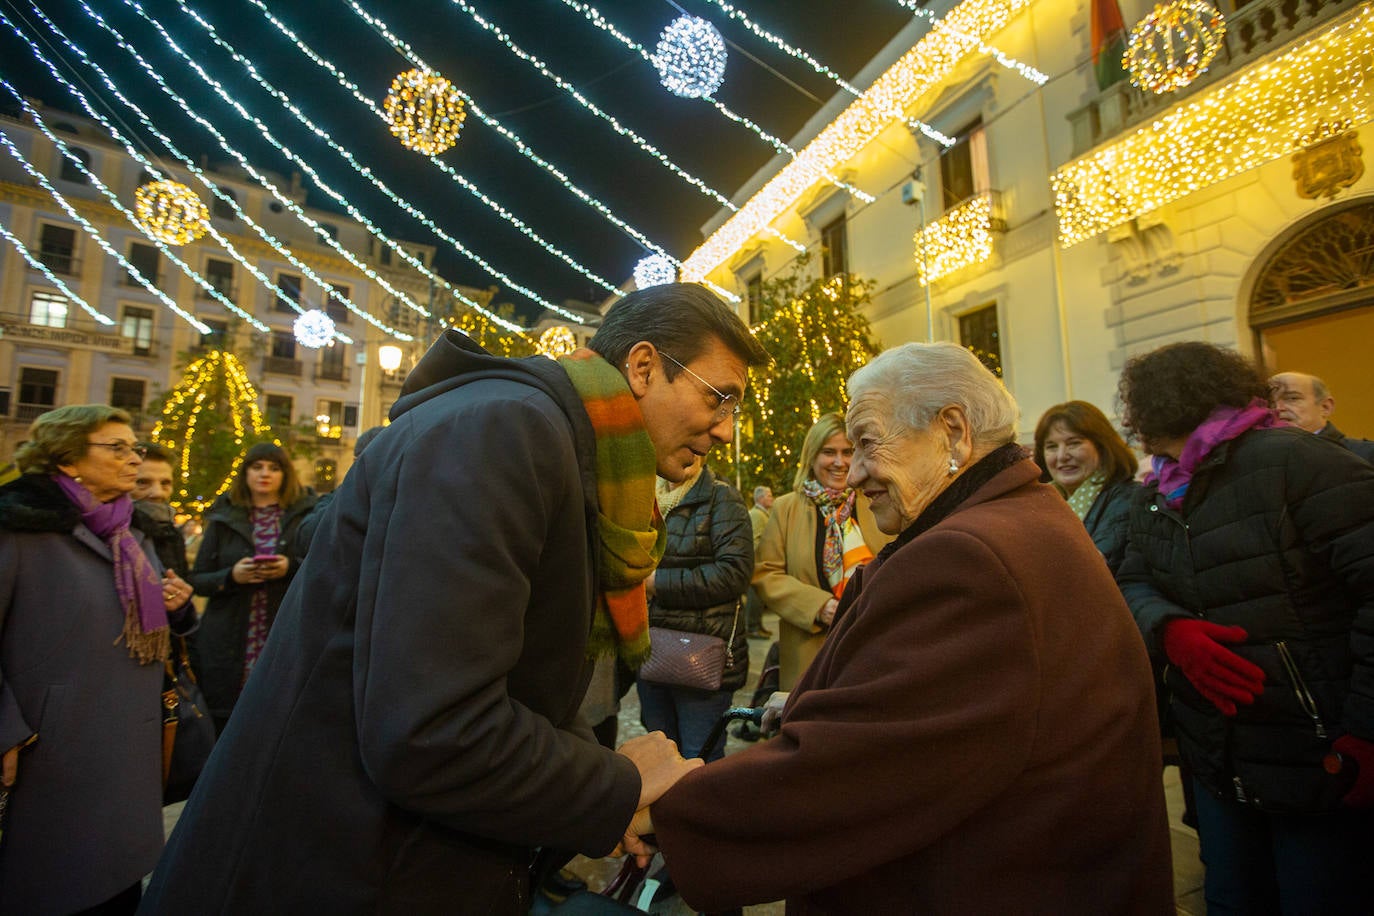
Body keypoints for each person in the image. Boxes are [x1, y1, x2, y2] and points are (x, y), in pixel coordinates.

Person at [141, 282, 771, 913]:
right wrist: (616, 783)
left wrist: (598, 787)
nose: (726, 429)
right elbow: (432, 729)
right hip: (330, 869)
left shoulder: (560, 447)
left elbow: (520, 686)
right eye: (720, 398)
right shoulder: (507, 432)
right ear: (642, 366)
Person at [627, 343, 1174, 913]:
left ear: (954, 433)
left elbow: (857, 773)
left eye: (867, 442)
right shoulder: (1014, 517)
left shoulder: (971, 556)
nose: (855, 473)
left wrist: (670, 807)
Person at [1116, 341, 1374, 913]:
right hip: (1218, 751)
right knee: (1233, 900)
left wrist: (1368, 727)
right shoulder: (1157, 492)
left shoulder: (1297, 462)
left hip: (1318, 750)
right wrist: (1169, 630)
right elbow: (1133, 581)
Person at [0, 405, 194, 915]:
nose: (135, 458)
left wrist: (180, 609)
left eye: (136, 447)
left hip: (128, 749)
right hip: (53, 751)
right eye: (118, 448)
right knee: (54, 885)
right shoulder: (19, 528)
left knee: (119, 887)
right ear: (67, 461)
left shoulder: (133, 532)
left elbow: (146, 627)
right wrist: (5, 731)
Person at [752, 412, 891, 689]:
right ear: (812, 456)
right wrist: (819, 606)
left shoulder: (879, 501)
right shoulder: (786, 508)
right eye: (829, 452)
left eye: (848, 452)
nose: (839, 462)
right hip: (809, 656)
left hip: (873, 649)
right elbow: (766, 573)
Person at [186, 441, 316, 733]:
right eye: (257, 467)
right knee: (226, 720)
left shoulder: (303, 516)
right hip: (230, 634)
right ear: (245, 473)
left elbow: (319, 569)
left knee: (276, 718)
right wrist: (232, 575)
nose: (264, 474)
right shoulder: (223, 518)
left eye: (273, 467)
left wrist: (289, 568)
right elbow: (198, 580)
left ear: (285, 474)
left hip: (280, 628)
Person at [639, 458, 753, 761]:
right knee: (660, 757)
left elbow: (734, 572)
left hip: (701, 658)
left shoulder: (721, 496)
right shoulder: (647, 496)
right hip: (651, 652)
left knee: (698, 758)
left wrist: (657, 583)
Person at [1032, 401, 1139, 575]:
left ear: (1102, 446)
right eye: (1051, 446)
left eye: (1073, 443)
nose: (1062, 456)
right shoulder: (1039, 504)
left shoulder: (1127, 498)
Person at [1268, 370, 1374, 461]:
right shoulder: (1262, 459)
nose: (1278, 408)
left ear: (1325, 407)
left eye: (1292, 398)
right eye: (1270, 402)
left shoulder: (1366, 455)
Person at [132, 441, 188, 578]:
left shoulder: (172, 534)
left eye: (165, 483)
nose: (158, 493)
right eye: (142, 482)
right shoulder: (111, 534)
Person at [743, 485, 773, 638]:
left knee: (759, 597)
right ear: (760, 498)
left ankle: (758, 626)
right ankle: (753, 627)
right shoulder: (757, 515)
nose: (771, 498)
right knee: (754, 597)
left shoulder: (763, 514)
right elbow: (754, 540)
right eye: (768, 495)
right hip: (755, 564)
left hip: (760, 563)